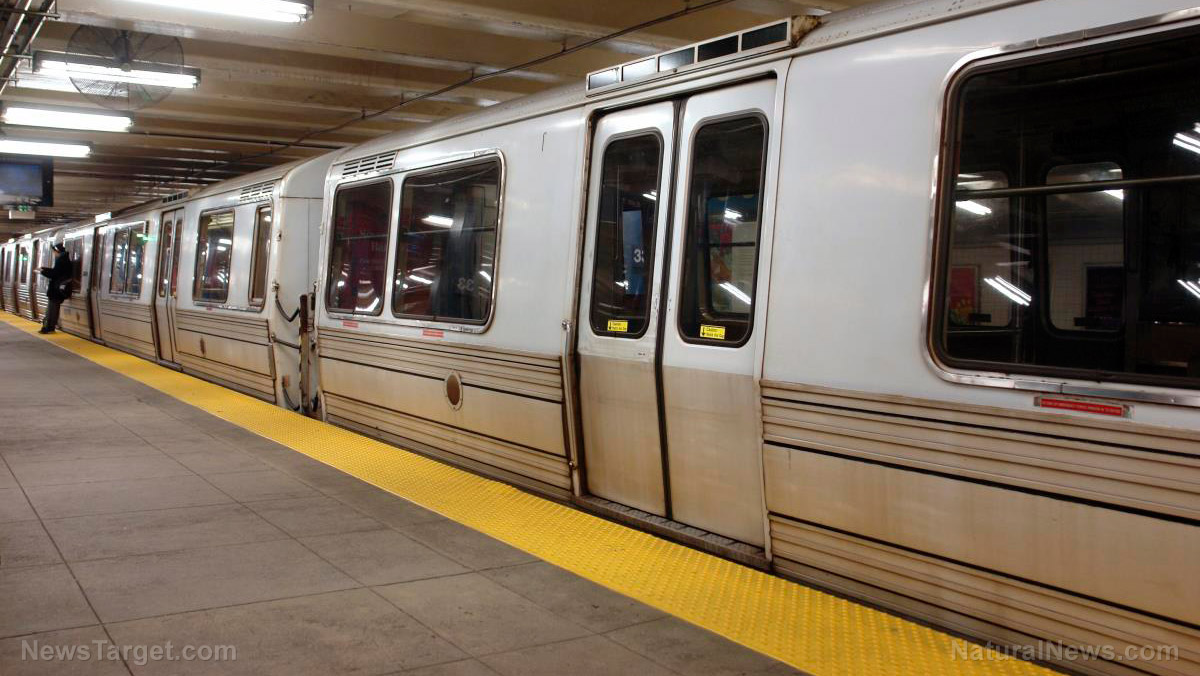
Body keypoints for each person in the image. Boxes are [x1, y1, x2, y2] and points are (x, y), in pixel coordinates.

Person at [38, 242, 72, 334]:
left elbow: (55, 274)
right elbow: (57, 271)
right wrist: (45, 269)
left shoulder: (61, 260)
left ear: (57, 251)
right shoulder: (64, 259)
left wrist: (42, 272)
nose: (54, 254)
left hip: (56, 290)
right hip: (58, 290)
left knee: (52, 310)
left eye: (54, 252)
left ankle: (48, 327)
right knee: (52, 309)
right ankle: (49, 327)